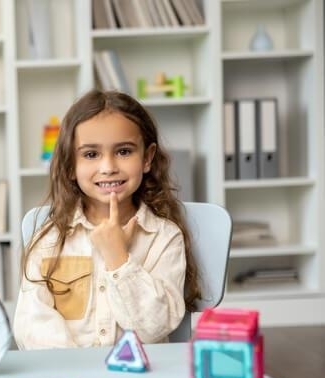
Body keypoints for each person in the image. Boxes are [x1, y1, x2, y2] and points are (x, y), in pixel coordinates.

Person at [14, 89, 201, 350]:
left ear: (147, 158)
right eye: (91, 154)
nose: (108, 166)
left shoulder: (164, 236)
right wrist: (79, 369)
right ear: (70, 165)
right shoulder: (50, 240)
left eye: (124, 151)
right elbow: (32, 326)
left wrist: (118, 259)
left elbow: (154, 328)